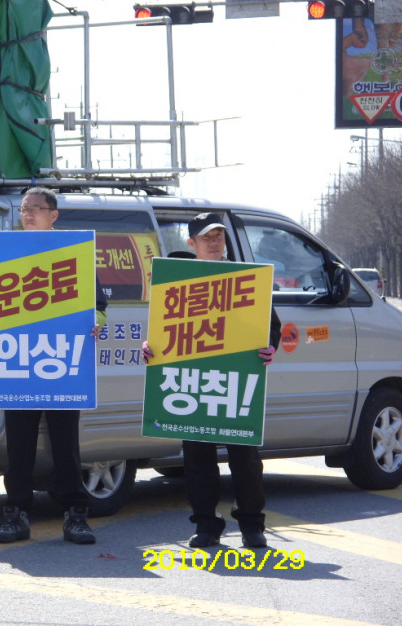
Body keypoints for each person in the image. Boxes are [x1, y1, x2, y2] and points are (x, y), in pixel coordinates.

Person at [142, 212, 281, 549]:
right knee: (198, 459)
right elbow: (161, 327)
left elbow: (272, 326)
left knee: (245, 459)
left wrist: (270, 347)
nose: (214, 242)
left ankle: (252, 525)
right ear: (192, 243)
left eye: (218, 236)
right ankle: (206, 525)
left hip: (235, 381)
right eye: (206, 237)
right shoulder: (177, 278)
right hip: (193, 382)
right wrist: (150, 346)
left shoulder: (247, 278)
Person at [0, 187, 108, 545]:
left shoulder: (74, 250)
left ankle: (75, 516)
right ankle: (16, 514)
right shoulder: (5, 250)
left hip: (63, 362)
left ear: (53, 215)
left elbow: (98, 305)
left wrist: (96, 322)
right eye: (24, 208)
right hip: (19, 362)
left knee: (66, 445)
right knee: (18, 447)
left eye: (35, 209)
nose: (27, 214)